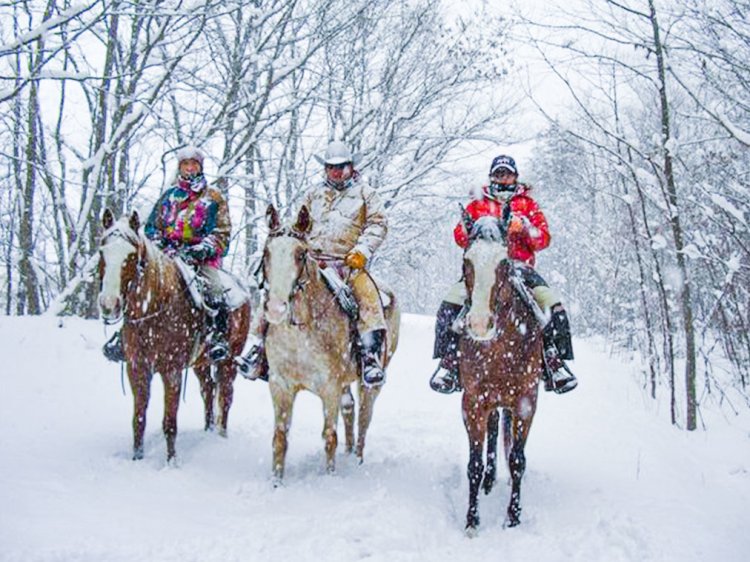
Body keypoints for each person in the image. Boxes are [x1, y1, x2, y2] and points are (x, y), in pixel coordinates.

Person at [239, 140, 389, 387]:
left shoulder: (366, 194)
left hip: (348, 263)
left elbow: (378, 224)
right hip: (313, 262)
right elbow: (301, 225)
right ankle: (257, 349)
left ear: (351, 167)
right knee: (276, 292)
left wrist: (361, 250)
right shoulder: (313, 194)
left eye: (341, 166)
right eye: (331, 167)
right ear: (325, 169)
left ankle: (369, 357)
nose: (336, 171)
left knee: (367, 297)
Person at [428, 154, 578, 395]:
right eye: (498, 173)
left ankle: (554, 360)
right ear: (491, 176)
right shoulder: (477, 204)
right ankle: (449, 361)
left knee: (553, 307)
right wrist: (473, 230)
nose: (502, 177)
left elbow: (544, 238)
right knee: (449, 306)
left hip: (521, 268)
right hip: (482, 268)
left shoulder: (528, 204)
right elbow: (459, 235)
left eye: (506, 173)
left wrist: (525, 227)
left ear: (515, 176)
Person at [102, 146, 233, 363]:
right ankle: (125, 335)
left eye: (194, 164)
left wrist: (202, 248)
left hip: (199, 259)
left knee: (214, 288)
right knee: (139, 284)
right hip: (167, 256)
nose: (190, 168)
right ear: (180, 167)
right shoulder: (169, 196)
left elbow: (222, 231)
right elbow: (152, 228)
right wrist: (163, 245)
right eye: (185, 164)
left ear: (200, 167)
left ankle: (217, 337)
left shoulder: (213, 197)